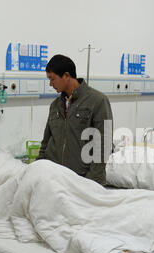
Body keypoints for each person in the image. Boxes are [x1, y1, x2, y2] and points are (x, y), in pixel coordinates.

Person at [37, 54, 113, 185]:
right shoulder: (55, 106)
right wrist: (36, 171)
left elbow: (103, 146)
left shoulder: (98, 101)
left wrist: (90, 182)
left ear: (66, 76)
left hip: (84, 181)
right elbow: (46, 143)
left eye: (52, 79)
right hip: (56, 181)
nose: (50, 84)